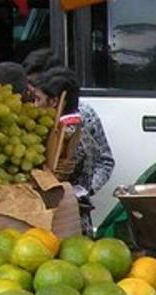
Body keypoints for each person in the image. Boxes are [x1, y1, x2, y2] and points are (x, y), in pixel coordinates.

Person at [29, 66, 116, 233]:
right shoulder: (75, 133)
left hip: (68, 223)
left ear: (54, 102)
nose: (34, 106)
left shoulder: (68, 139)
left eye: (38, 99)